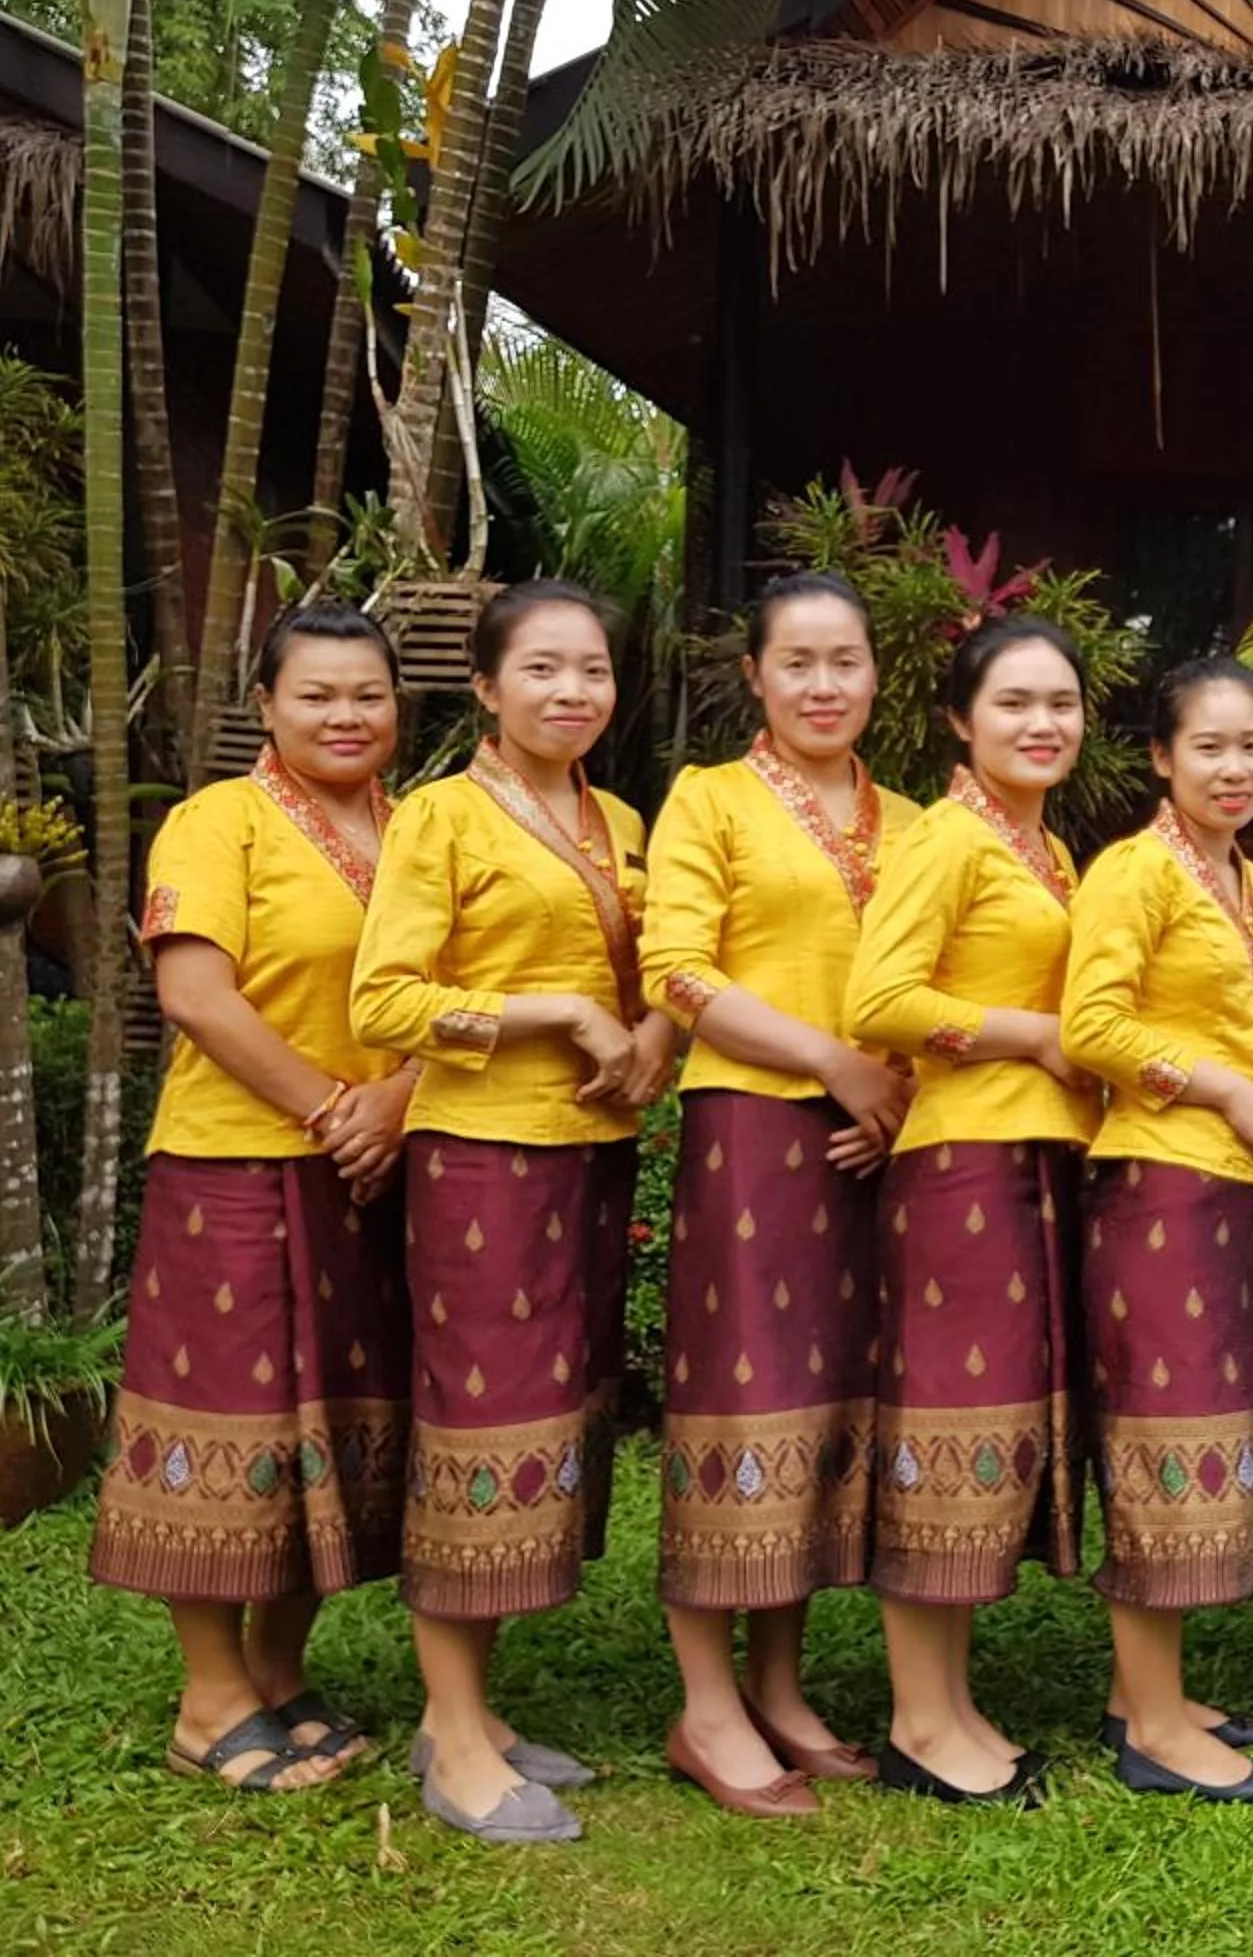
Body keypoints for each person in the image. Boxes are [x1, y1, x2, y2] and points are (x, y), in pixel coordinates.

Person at [351, 579, 673, 1845]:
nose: (571, 692)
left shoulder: (622, 821)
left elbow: (659, 972)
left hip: (592, 1154)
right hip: (482, 1157)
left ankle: (464, 1717)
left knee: (545, 1420)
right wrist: (553, 1013)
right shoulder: (439, 818)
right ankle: (455, 1740)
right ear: (485, 688)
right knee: (474, 1428)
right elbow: (387, 1002)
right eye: (541, 670)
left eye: (591, 670)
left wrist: (646, 1031)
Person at [91, 603, 419, 1793]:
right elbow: (198, 996)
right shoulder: (214, 822)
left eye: (368, 695)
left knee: (334, 1424)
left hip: (383, 1164)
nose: (346, 716)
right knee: (225, 1424)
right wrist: (339, 1108)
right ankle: (210, 1695)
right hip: (236, 1161)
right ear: (268, 706)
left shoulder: (421, 827)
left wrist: (398, 1100)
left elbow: (473, 987)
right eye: (318, 695)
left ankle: (281, 1671)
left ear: (399, 705)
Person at [637, 573, 918, 1818]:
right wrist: (831, 1065)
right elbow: (677, 968)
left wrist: (894, 1089)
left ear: (875, 676)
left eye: (844, 661)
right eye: (796, 662)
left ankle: (783, 1685)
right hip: (753, 1128)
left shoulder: (912, 822)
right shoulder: (710, 801)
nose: (822, 685)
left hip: (877, 1140)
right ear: (755, 675)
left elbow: (942, 972)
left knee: (822, 1410)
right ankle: (705, 1706)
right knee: (734, 1406)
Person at [841, 615, 1100, 1809]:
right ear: (959, 720)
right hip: (962, 1168)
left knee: (988, 1435)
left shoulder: (1041, 847)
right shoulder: (948, 839)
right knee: (944, 1432)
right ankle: (917, 1719)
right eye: (1014, 704)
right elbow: (881, 995)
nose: (1043, 724)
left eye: (1061, 703)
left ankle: (948, 1703)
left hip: (1031, 1160)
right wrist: (1035, 1035)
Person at [1059, 656, 1253, 1803]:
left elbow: (1245, 1036)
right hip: (1154, 1186)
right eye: (1208, 746)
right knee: (1160, 1444)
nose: (1234, 767)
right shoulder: (1134, 870)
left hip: (1225, 1192)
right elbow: (1094, 1024)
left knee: (1203, 1429)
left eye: (1251, 744)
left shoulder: (1249, 883)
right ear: (1162, 757)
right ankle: (1154, 1728)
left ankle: (1144, 1690)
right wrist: (1223, 1091)